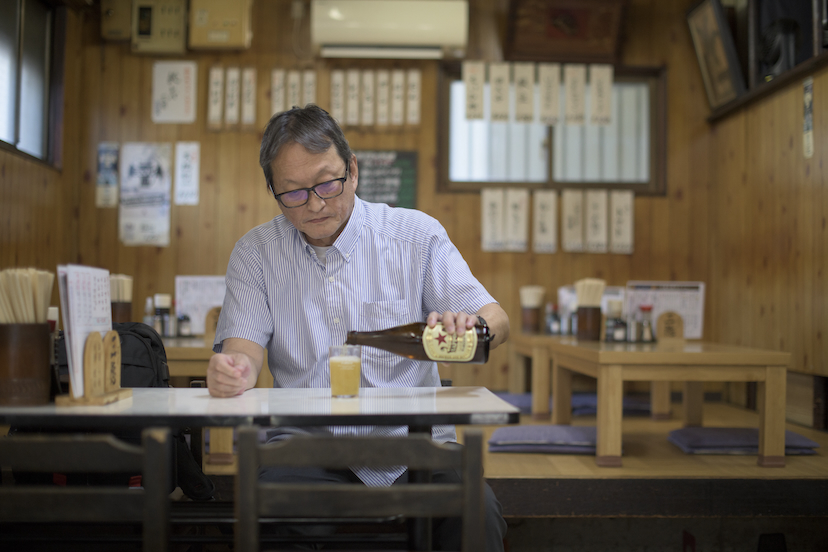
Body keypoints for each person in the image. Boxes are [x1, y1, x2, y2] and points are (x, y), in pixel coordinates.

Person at [207, 104, 510, 551]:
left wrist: (473, 325)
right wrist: (232, 370)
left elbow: (498, 322)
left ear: (352, 169)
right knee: (269, 508)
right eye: (292, 192)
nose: (315, 204)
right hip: (306, 443)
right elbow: (244, 352)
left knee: (475, 513)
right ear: (272, 189)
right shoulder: (257, 253)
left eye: (328, 183)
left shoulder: (414, 235)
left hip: (414, 437)